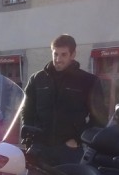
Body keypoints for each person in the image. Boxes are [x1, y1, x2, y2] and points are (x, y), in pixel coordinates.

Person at [21, 34, 108, 167]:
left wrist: (78, 139)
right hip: (39, 148)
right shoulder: (37, 79)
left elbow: (100, 118)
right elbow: (27, 111)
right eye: (55, 54)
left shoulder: (88, 81)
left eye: (63, 55)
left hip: (69, 151)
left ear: (73, 55)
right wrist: (29, 136)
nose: (58, 59)